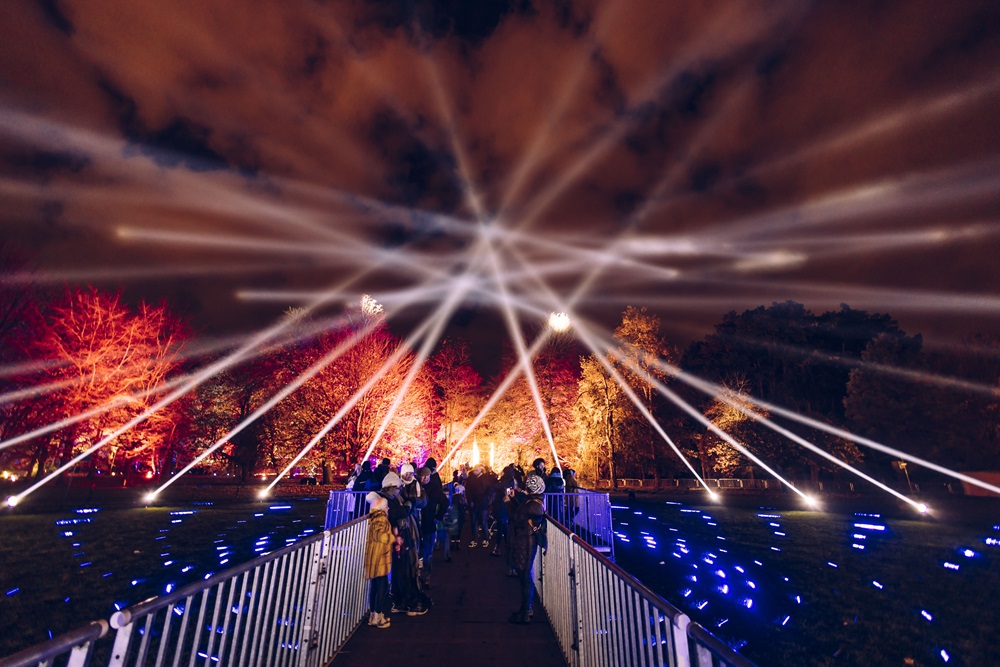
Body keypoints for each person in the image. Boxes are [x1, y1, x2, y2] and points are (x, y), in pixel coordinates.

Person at [382, 471, 427, 616]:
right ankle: (409, 602)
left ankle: (400, 601)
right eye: (397, 488)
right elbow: (398, 514)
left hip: (399, 540)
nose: (399, 491)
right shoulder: (389, 501)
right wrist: (407, 507)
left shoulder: (391, 498)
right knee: (404, 572)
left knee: (401, 572)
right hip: (399, 541)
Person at [508, 473, 547, 624]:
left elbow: (517, 518)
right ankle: (526, 608)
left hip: (525, 542)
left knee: (525, 576)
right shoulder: (534, 503)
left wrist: (508, 503)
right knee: (525, 576)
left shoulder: (532, 505)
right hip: (526, 541)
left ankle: (525, 611)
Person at [363, 491, 392, 629]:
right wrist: (393, 538)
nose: (388, 509)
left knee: (375, 586)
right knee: (383, 585)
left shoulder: (374, 517)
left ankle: (373, 614)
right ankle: (377, 615)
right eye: (386, 507)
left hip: (375, 555)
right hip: (380, 556)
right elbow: (381, 536)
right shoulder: (381, 518)